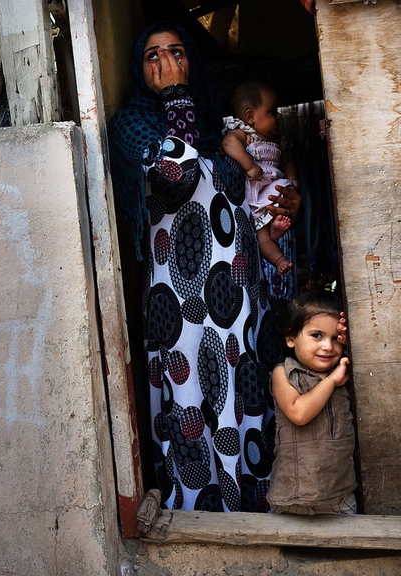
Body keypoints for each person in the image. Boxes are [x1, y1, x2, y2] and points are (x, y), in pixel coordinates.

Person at [108, 21, 302, 512]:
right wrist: (175, 96)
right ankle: (205, 513)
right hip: (183, 302)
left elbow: (236, 200)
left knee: (245, 395)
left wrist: (272, 225)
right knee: (193, 396)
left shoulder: (222, 131)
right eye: (154, 55)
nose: (166, 62)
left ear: (193, 61)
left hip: (239, 299)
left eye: (177, 52)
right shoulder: (132, 125)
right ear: (140, 68)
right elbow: (177, 173)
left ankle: (256, 508)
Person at [267, 277, 357, 515]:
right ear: (291, 338)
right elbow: (298, 413)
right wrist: (332, 381)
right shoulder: (283, 374)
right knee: (290, 554)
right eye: (317, 335)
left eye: (335, 338)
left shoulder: (348, 372)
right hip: (293, 498)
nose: (328, 346)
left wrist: (352, 346)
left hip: (340, 497)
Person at [222, 81, 297, 276]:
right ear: (250, 117)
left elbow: (287, 160)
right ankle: (278, 259)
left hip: (272, 189)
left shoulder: (275, 140)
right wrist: (249, 165)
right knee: (260, 235)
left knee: (281, 210)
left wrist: (293, 180)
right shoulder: (246, 134)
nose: (279, 115)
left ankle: (275, 228)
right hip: (254, 194)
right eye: (272, 111)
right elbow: (229, 143)